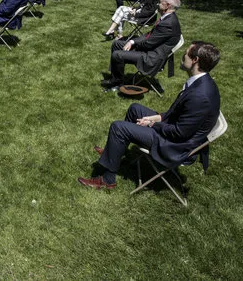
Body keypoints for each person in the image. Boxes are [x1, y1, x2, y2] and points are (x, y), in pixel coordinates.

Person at [79, 41, 221, 190]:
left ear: (195, 60)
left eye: (186, 53)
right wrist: (158, 117)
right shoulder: (201, 83)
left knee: (118, 127)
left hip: (176, 146)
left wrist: (153, 124)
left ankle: (108, 180)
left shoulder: (200, 95)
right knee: (135, 109)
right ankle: (117, 153)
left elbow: (180, 133)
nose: (183, 55)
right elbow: (179, 114)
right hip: (176, 132)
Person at [102, 0, 182, 90]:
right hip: (151, 49)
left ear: (168, 5)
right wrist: (132, 41)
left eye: (160, 2)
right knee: (117, 43)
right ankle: (115, 78)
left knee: (117, 54)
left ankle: (117, 84)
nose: (157, 4)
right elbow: (149, 35)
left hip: (152, 57)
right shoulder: (168, 18)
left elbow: (148, 44)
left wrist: (134, 45)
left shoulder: (168, 23)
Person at [102, 0, 168, 39]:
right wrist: (136, 8)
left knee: (121, 11)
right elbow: (143, 4)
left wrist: (136, 14)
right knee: (121, 9)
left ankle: (114, 32)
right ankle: (115, 32)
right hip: (140, 12)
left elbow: (150, 11)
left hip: (145, 18)